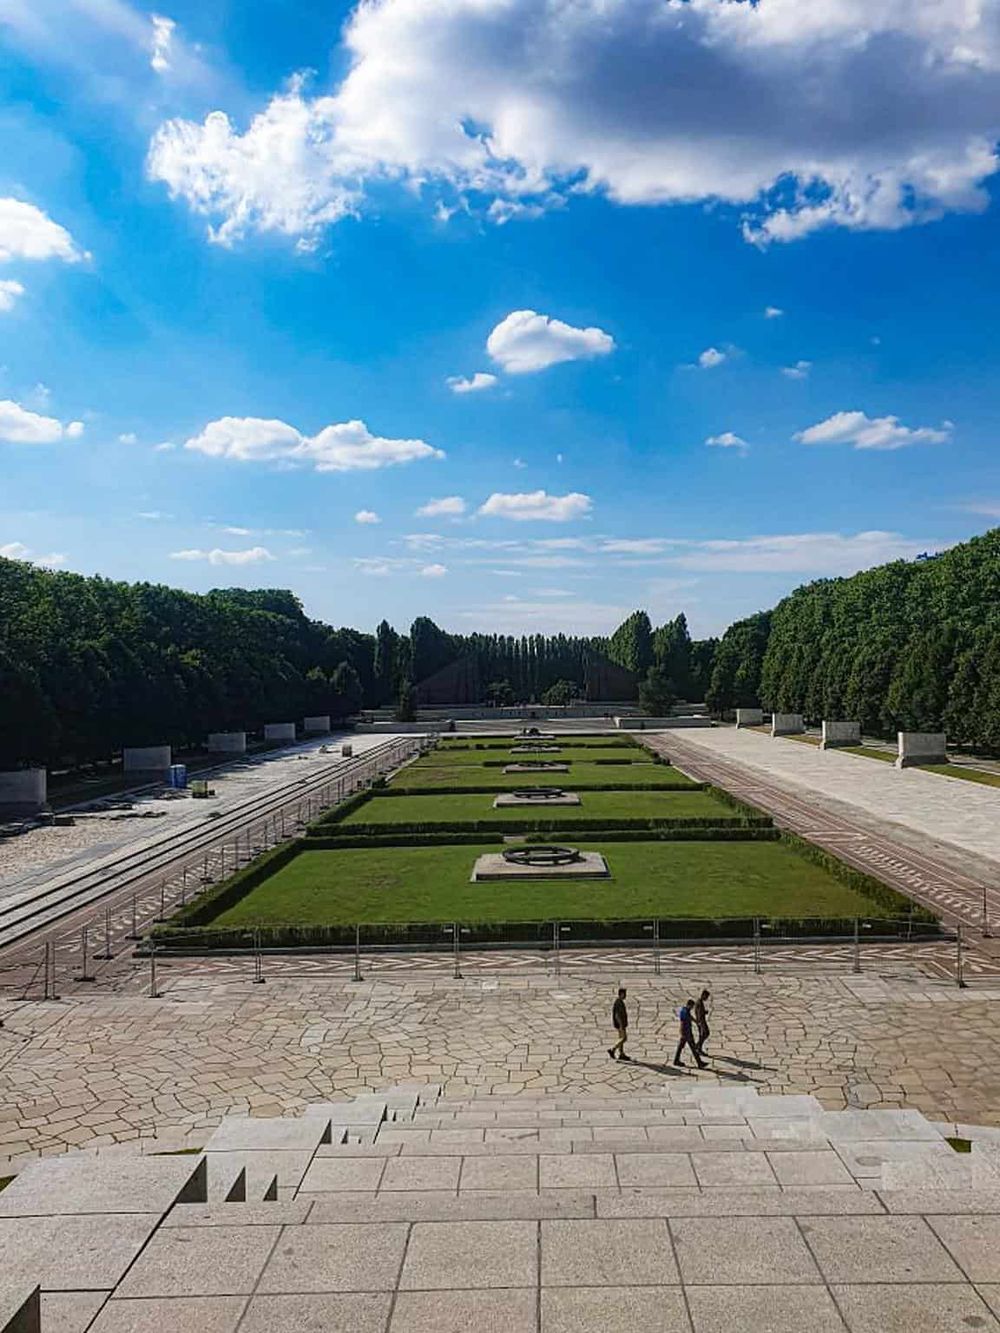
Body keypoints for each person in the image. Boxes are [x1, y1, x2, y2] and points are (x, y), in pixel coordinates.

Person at [674, 997, 707, 1069]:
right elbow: (684, 1022)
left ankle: (676, 1060)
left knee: (680, 1047)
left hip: (685, 1033)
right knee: (693, 1048)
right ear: (689, 1005)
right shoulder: (685, 1012)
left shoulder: (685, 1010)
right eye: (692, 1006)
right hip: (686, 1033)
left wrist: (695, 1021)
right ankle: (700, 1063)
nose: (692, 1008)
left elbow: (690, 1017)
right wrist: (686, 1034)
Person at [609, 986, 629, 1060]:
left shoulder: (619, 1002)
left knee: (621, 1038)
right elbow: (618, 1015)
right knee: (624, 1038)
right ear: (621, 994)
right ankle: (612, 1049)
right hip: (621, 1025)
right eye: (624, 994)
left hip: (620, 1024)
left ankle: (621, 1054)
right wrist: (621, 1025)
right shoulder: (619, 1003)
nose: (625, 995)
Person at [694, 988, 711, 1060]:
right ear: (703, 995)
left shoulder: (699, 1002)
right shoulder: (699, 1003)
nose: (706, 999)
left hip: (701, 1021)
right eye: (706, 997)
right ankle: (698, 1047)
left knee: (704, 1034)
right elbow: (699, 1013)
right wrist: (701, 1023)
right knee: (705, 1034)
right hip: (701, 1022)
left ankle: (698, 1046)